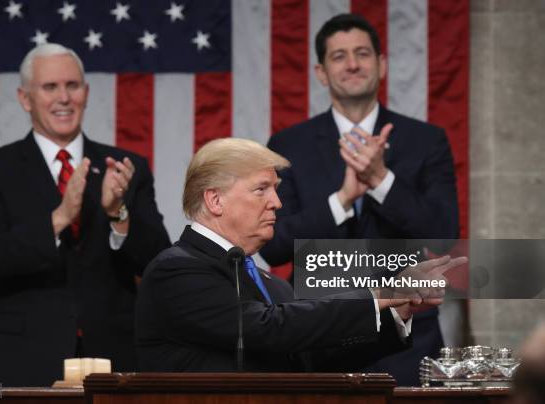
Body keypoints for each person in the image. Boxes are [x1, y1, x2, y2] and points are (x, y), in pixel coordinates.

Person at [135, 137, 457, 372]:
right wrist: (376, 296)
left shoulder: (270, 284)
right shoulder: (176, 271)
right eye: (261, 189)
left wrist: (394, 313)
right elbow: (265, 329)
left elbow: (310, 356)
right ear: (215, 201)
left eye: (275, 189)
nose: (277, 202)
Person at [259, 14, 459, 385]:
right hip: (320, 337)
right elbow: (274, 247)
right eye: (339, 56)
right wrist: (343, 199)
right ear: (321, 72)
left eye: (362, 53)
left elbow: (444, 234)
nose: (352, 64)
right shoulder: (288, 145)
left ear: (381, 65)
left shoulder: (426, 140)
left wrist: (381, 179)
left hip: (408, 340)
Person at [0, 43, 170, 386]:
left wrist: (119, 214)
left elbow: (157, 263)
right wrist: (59, 218)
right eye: (50, 87)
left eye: (72, 86)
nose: (64, 98)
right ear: (25, 98)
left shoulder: (124, 168)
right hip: (17, 358)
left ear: (86, 94)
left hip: (113, 355)